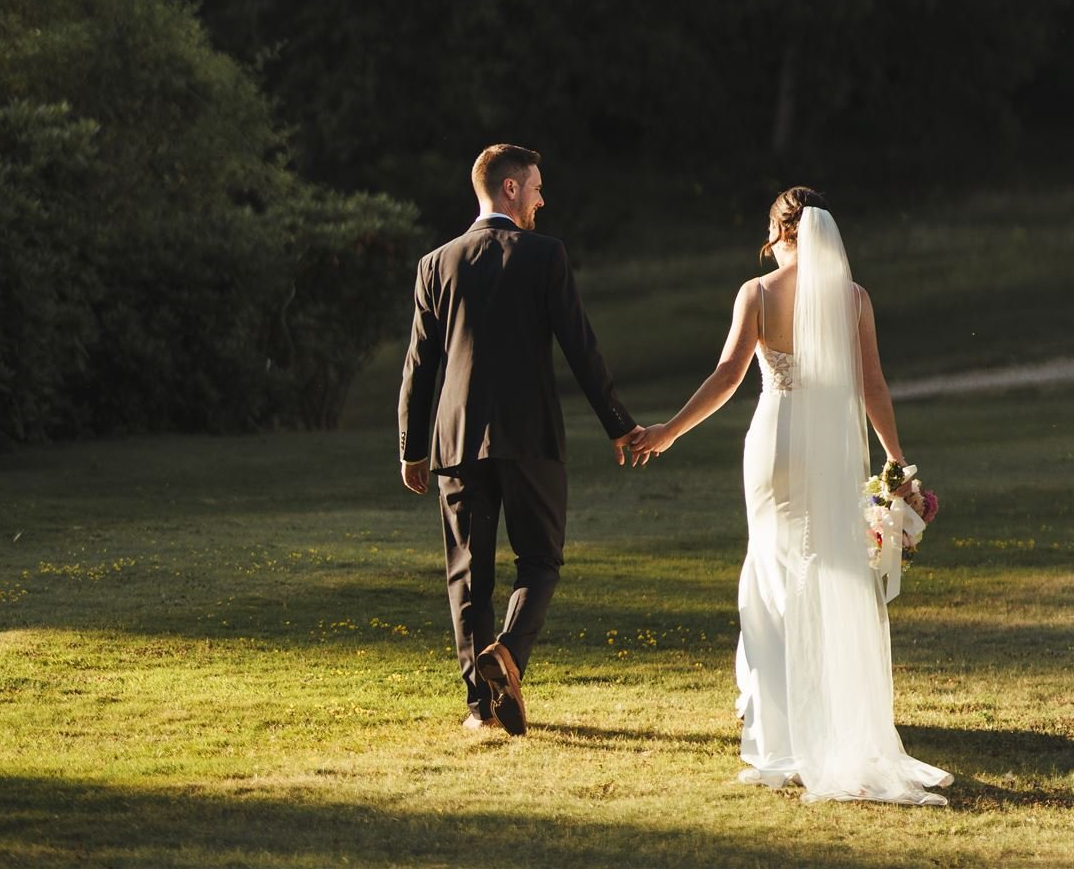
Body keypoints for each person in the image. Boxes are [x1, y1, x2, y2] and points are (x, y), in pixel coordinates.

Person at [629, 185, 952, 805]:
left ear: (779, 235)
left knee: (772, 573)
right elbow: (874, 386)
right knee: (830, 571)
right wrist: (894, 459)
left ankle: (777, 732)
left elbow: (727, 375)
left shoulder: (758, 293)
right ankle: (829, 721)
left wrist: (669, 431)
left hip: (775, 444)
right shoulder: (853, 300)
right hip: (831, 450)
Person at [398, 143, 644, 735]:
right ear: (510, 188)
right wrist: (620, 424)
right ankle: (507, 653)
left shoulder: (437, 263)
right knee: (540, 560)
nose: (541, 197)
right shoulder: (545, 256)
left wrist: (412, 446)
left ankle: (481, 708)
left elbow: (419, 365)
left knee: (467, 573)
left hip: (455, 444)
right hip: (530, 437)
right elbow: (580, 349)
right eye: (535, 186)